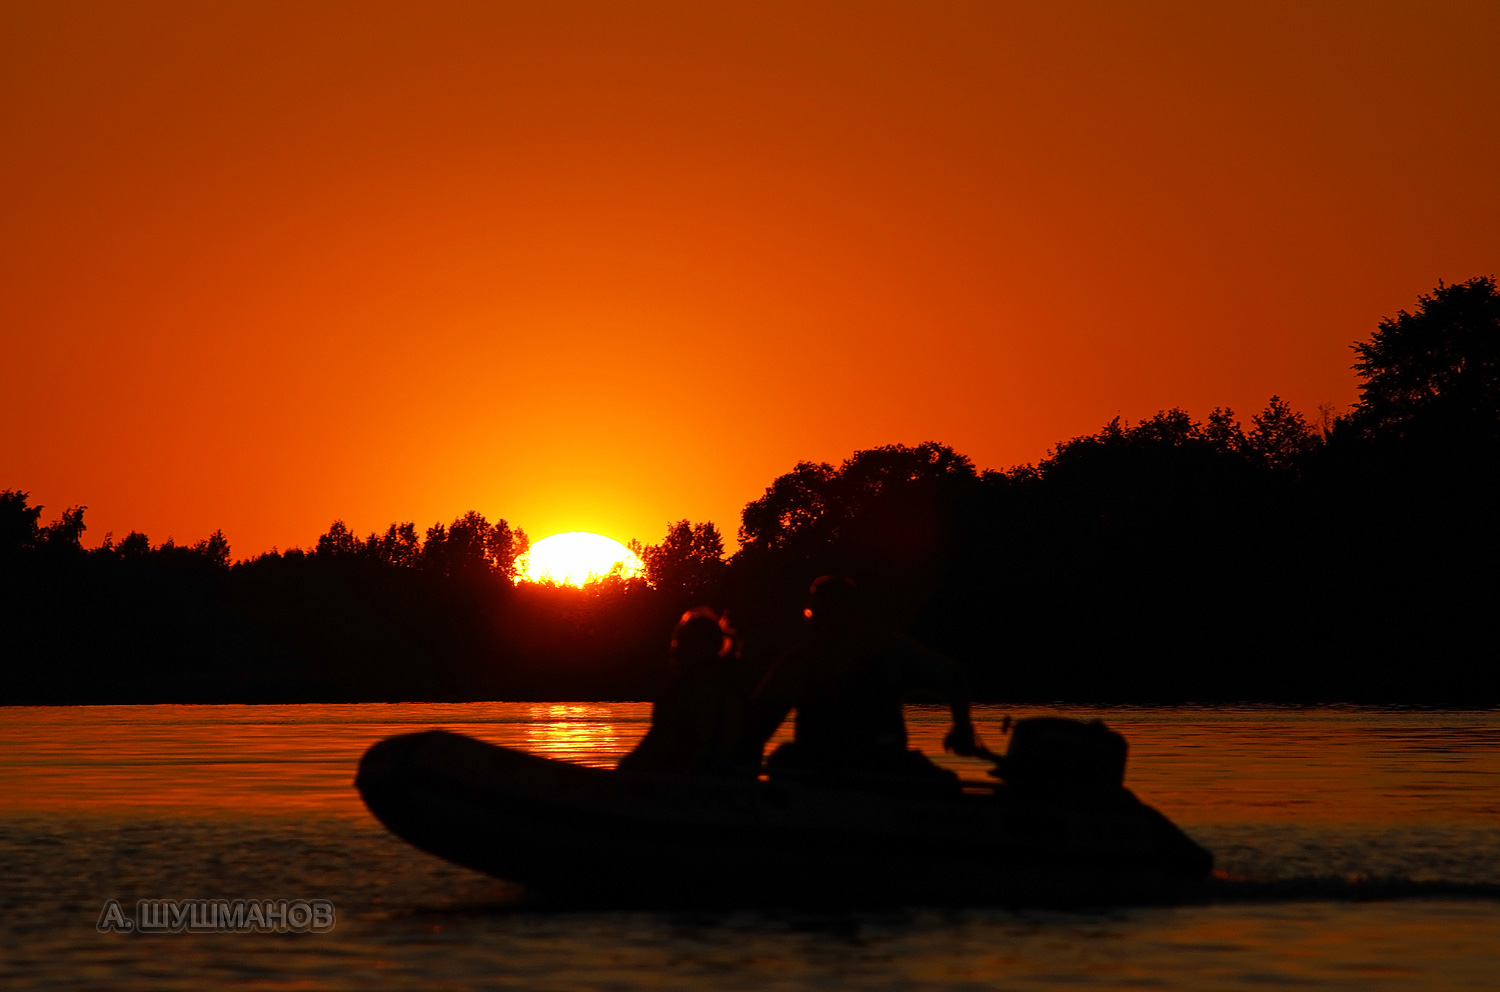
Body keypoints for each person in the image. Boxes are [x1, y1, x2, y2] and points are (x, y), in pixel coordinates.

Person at [748, 576, 978, 790]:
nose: (818, 626)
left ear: (852, 618)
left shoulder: (887, 652)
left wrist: (962, 728)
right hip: (823, 769)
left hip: (878, 768)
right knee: (783, 759)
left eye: (826, 618)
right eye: (814, 617)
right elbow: (757, 727)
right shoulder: (800, 662)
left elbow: (953, 677)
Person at [617, 608, 761, 778]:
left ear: (700, 647)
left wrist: (622, 773)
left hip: (692, 787)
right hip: (728, 783)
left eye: (680, 643)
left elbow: (657, 745)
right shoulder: (736, 685)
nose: (673, 650)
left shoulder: (687, 689)